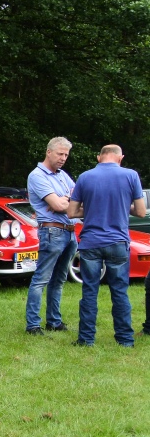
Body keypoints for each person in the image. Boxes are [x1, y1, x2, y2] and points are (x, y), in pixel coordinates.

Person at [67, 145, 146, 346]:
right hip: (118, 242)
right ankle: (125, 340)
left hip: (91, 243)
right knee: (120, 291)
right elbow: (140, 212)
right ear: (121, 158)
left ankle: (85, 339)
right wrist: (120, 205)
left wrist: (94, 207)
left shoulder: (85, 176)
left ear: (98, 157)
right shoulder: (131, 175)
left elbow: (71, 213)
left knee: (89, 292)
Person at [24, 137, 77, 336]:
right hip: (52, 231)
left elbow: (79, 199)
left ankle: (54, 321)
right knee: (41, 279)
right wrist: (65, 202)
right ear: (49, 152)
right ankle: (33, 325)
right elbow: (58, 206)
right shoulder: (37, 176)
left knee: (59, 280)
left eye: (66, 155)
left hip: (70, 232)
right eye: (60, 154)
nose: (63, 158)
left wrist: (66, 200)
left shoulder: (63, 175)